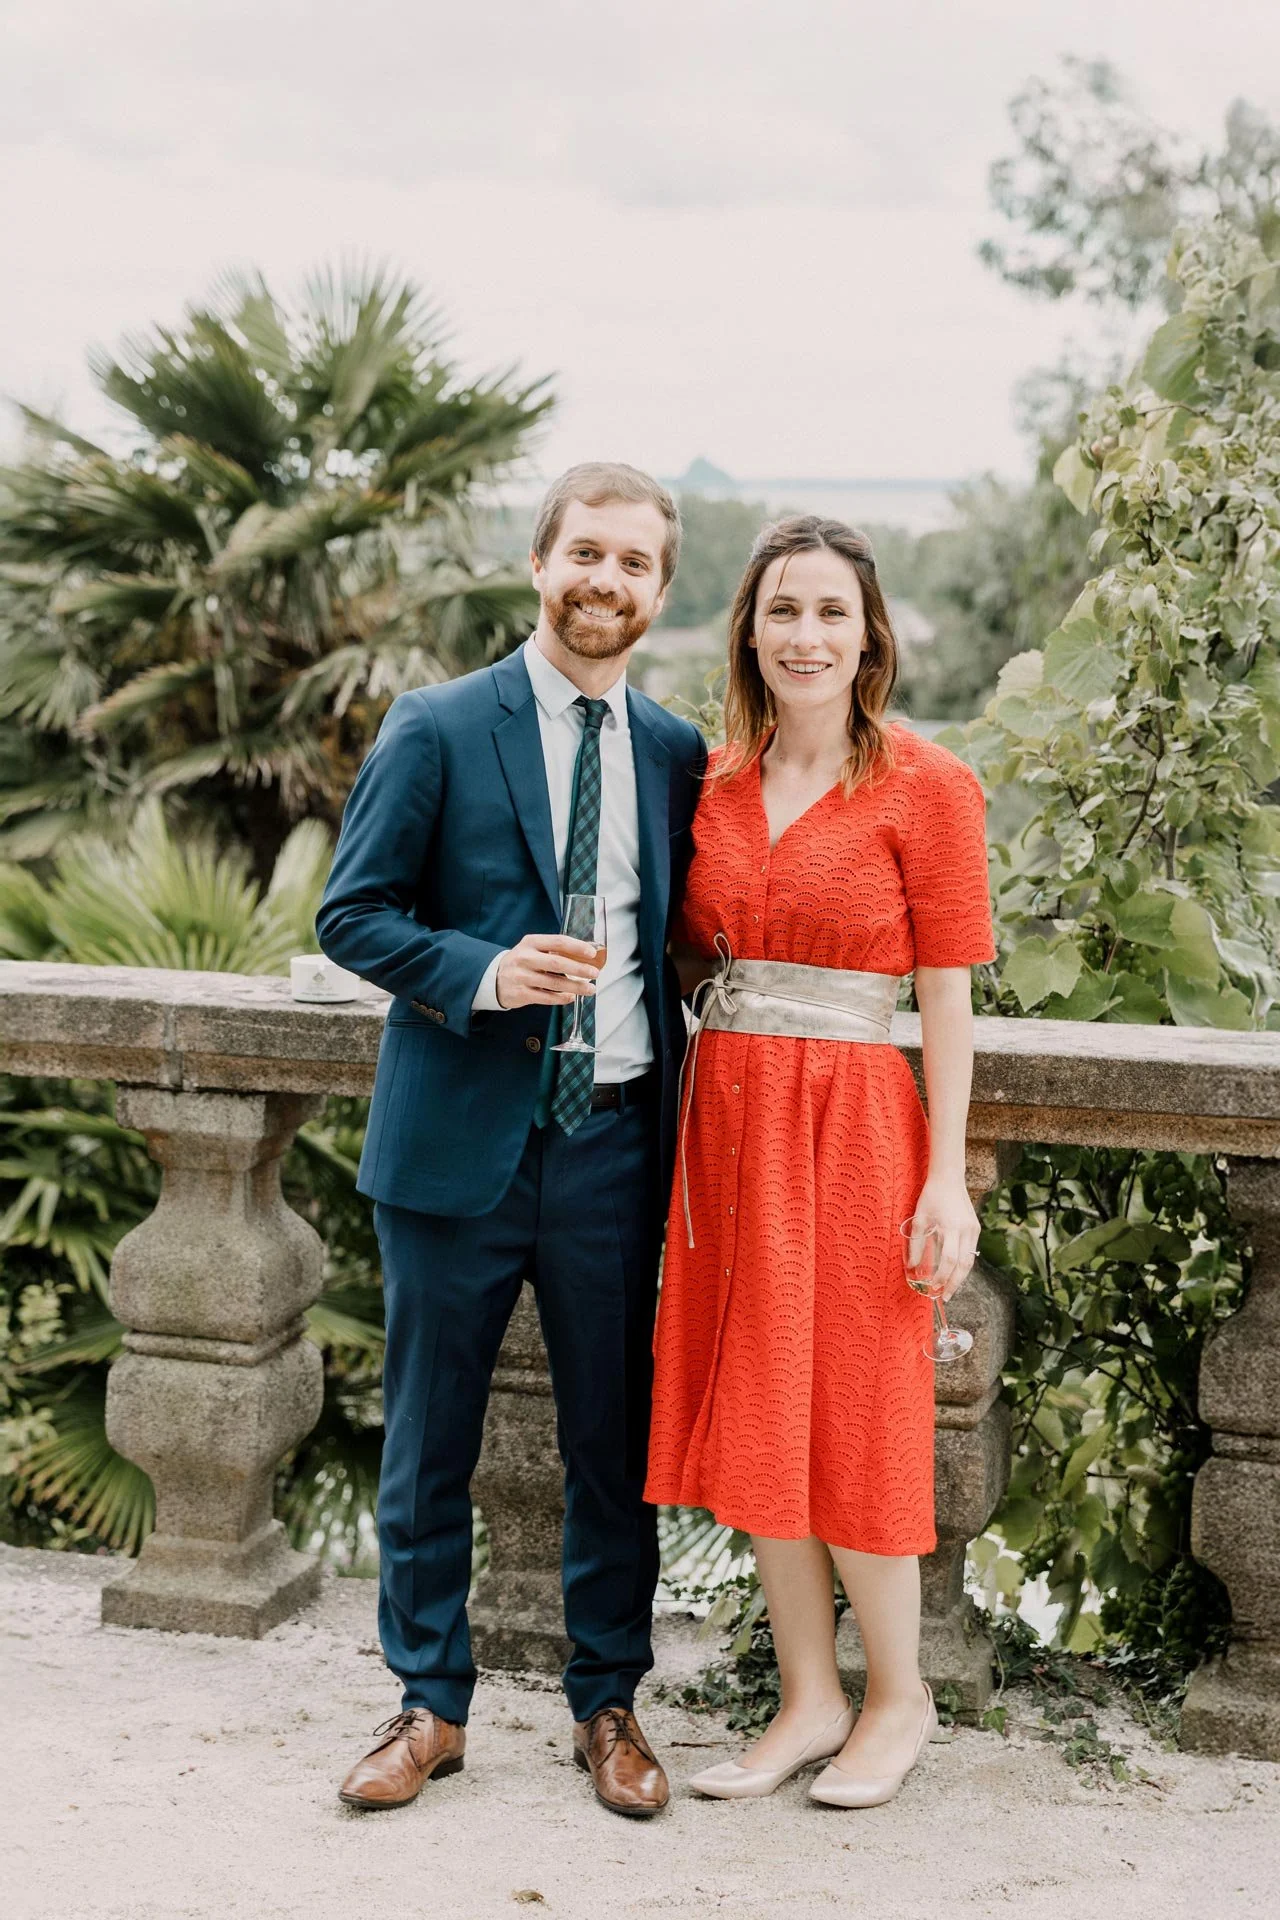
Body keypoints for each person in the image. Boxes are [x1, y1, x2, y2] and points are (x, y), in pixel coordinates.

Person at [317, 462, 706, 1817]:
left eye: (635, 564)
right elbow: (349, 913)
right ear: (540, 563)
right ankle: (428, 1703)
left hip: (615, 1149)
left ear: (662, 589)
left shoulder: (674, 750)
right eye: (585, 554)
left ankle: (610, 1702)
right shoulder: (434, 726)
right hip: (455, 1151)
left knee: (614, 1443)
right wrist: (485, 972)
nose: (607, 582)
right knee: (429, 1439)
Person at [645, 514, 995, 1809]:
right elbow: (686, 953)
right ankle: (808, 1698)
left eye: (831, 613)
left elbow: (948, 999)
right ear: (749, 627)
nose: (806, 636)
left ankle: (899, 1701)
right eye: (782, 610)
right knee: (757, 1401)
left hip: (854, 1124)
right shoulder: (715, 787)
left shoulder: (925, 783)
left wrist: (945, 1175)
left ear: (869, 634)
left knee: (854, 1403)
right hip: (728, 1124)